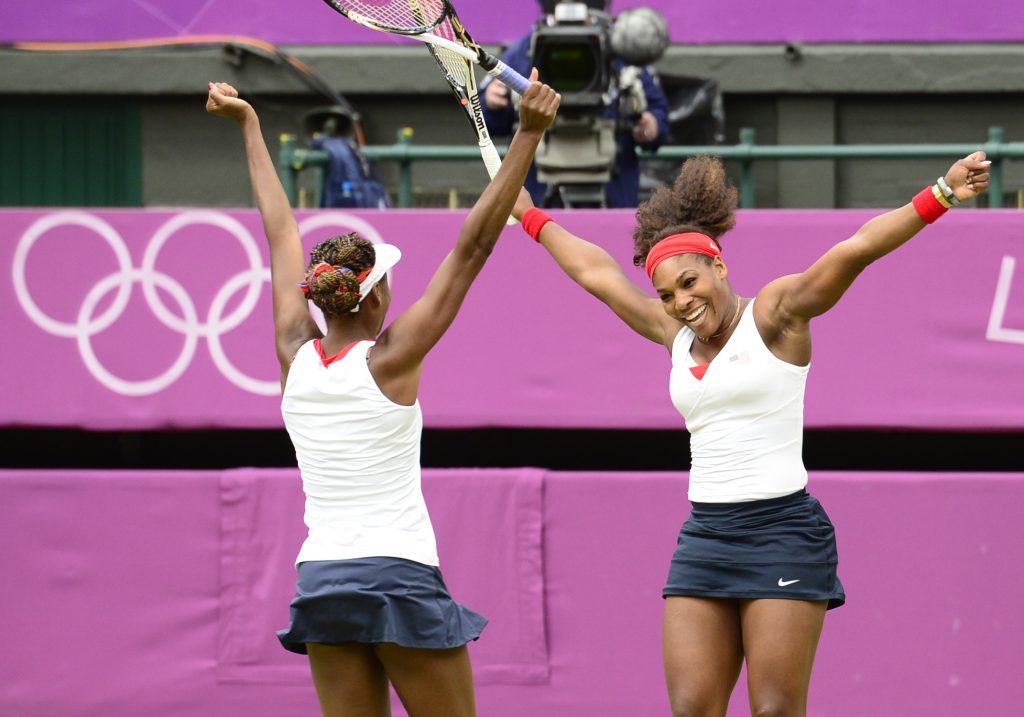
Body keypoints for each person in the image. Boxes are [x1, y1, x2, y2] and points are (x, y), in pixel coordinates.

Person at [511, 153, 990, 716]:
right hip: (706, 536)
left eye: (688, 283)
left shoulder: (776, 314)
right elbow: (595, 272)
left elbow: (857, 249)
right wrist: (528, 216)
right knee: (692, 708)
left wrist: (943, 193)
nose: (681, 303)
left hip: (783, 531)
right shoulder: (671, 333)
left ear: (719, 266)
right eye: (667, 294)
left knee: (774, 711)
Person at [205, 75, 559, 717]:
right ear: (378, 299)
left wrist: (250, 126)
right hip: (395, 575)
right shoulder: (393, 359)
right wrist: (528, 136)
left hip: (321, 582)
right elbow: (474, 246)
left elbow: (280, 234)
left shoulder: (292, 353)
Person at [480, 0, 669, 208]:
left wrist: (651, 125)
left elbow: (656, 112)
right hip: (539, 197)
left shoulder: (621, 49)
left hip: (612, 193)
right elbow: (485, 121)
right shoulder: (524, 52)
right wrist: (491, 102)